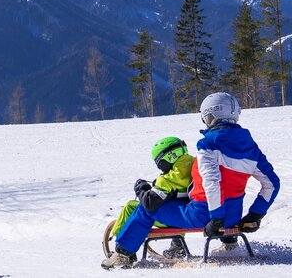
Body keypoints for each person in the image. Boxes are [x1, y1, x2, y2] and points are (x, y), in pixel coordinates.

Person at [102, 92, 280, 269]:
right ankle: (229, 243)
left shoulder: (208, 145)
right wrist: (256, 214)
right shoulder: (250, 147)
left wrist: (216, 219)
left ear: (210, 116)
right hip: (233, 216)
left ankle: (123, 255)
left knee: (146, 209)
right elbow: (272, 184)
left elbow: (212, 182)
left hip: (204, 216)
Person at [109, 137, 194, 259]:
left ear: (168, 157)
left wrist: (141, 189)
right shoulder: (194, 164)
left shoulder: (170, 177)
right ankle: (177, 245)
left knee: (131, 207)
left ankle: (122, 250)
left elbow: (150, 203)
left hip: (178, 218)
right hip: (188, 211)